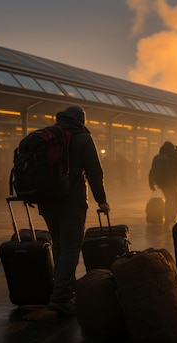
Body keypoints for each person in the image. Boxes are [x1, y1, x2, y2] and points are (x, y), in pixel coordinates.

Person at [37, 106, 110, 315]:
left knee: (59, 246)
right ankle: (60, 298)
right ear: (81, 120)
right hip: (72, 201)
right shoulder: (82, 138)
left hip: (47, 201)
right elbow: (95, 171)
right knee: (71, 247)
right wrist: (101, 200)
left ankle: (63, 291)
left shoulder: (49, 135)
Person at [149, 141, 177, 225]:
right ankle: (173, 217)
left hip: (161, 183)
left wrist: (151, 183)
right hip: (173, 183)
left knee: (168, 199)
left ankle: (167, 218)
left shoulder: (157, 157)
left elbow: (152, 171)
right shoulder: (174, 155)